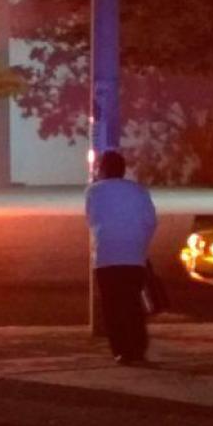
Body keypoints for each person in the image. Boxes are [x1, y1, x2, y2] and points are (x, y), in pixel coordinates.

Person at [86, 151, 157, 364]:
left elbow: (91, 220)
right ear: (123, 169)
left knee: (112, 306)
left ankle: (121, 351)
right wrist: (141, 245)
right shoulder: (139, 191)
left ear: (103, 169)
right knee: (133, 303)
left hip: (106, 256)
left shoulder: (94, 192)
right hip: (134, 257)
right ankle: (138, 348)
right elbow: (151, 221)